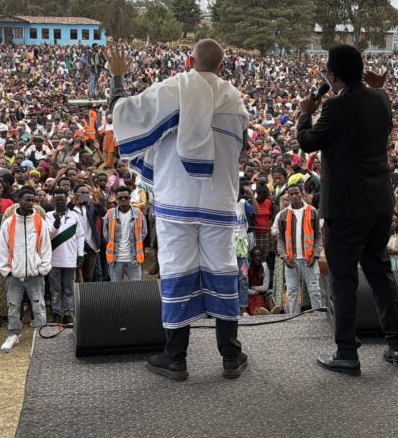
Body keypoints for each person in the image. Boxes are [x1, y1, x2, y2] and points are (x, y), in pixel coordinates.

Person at [108, 39, 249, 381]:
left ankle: (175, 358)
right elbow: (239, 149)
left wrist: (117, 79)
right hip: (219, 201)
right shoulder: (234, 100)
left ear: (188, 61)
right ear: (222, 68)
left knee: (175, 271)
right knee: (223, 270)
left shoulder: (170, 91)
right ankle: (230, 356)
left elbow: (125, 115)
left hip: (176, 202)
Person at [297, 44, 398, 375]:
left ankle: (347, 352)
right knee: (379, 270)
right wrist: (376, 86)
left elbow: (307, 142)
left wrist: (305, 112)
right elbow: (378, 109)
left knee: (343, 278)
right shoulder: (381, 98)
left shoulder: (336, 106)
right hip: (379, 201)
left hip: (346, 206)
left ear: (332, 76)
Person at [0, 187, 52, 353]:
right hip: (14, 274)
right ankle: (13, 334)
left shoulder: (39, 221)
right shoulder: (9, 223)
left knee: (39, 306)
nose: (31, 203)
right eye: (27, 200)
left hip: (35, 274)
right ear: (18, 201)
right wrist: (7, 269)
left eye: (33, 200)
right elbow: (3, 247)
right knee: (13, 306)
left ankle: (41, 334)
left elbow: (45, 246)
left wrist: (43, 268)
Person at [274, 185, 323, 314]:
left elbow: (318, 235)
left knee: (314, 290)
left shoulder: (312, 211)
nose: (294, 196)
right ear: (288, 196)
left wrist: (315, 255)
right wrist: (284, 257)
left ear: (302, 193)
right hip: (291, 259)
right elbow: (280, 238)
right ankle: (294, 318)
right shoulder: (283, 215)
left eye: (297, 193)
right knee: (292, 291)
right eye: (291, 194)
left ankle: (318, 317)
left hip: (309, 258)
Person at [45, 187, 85, 325]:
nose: (60, 202)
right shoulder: (48, 216)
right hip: (53, 259)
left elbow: (80, 236)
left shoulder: (74, 216)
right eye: (57, 200)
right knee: (55, 289)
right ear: (52, 201)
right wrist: (56, 223)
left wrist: (80, 256)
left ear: (67, 199)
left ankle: (68, 313)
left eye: (62, 199)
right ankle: (56, 312)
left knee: (69, 289)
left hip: (71, 259)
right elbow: (48, 236)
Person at [104, 186, 148, 282]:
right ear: (116, 199)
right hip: (115, 259)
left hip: (134, 259)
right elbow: (106, 234)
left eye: (126, 197)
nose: (123, 199)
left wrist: (136, 243)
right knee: (116, 288)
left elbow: (144, 232)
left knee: (136, 287)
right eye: (120, 198)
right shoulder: (110, 214)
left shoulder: (138, 213)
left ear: (130, 198)